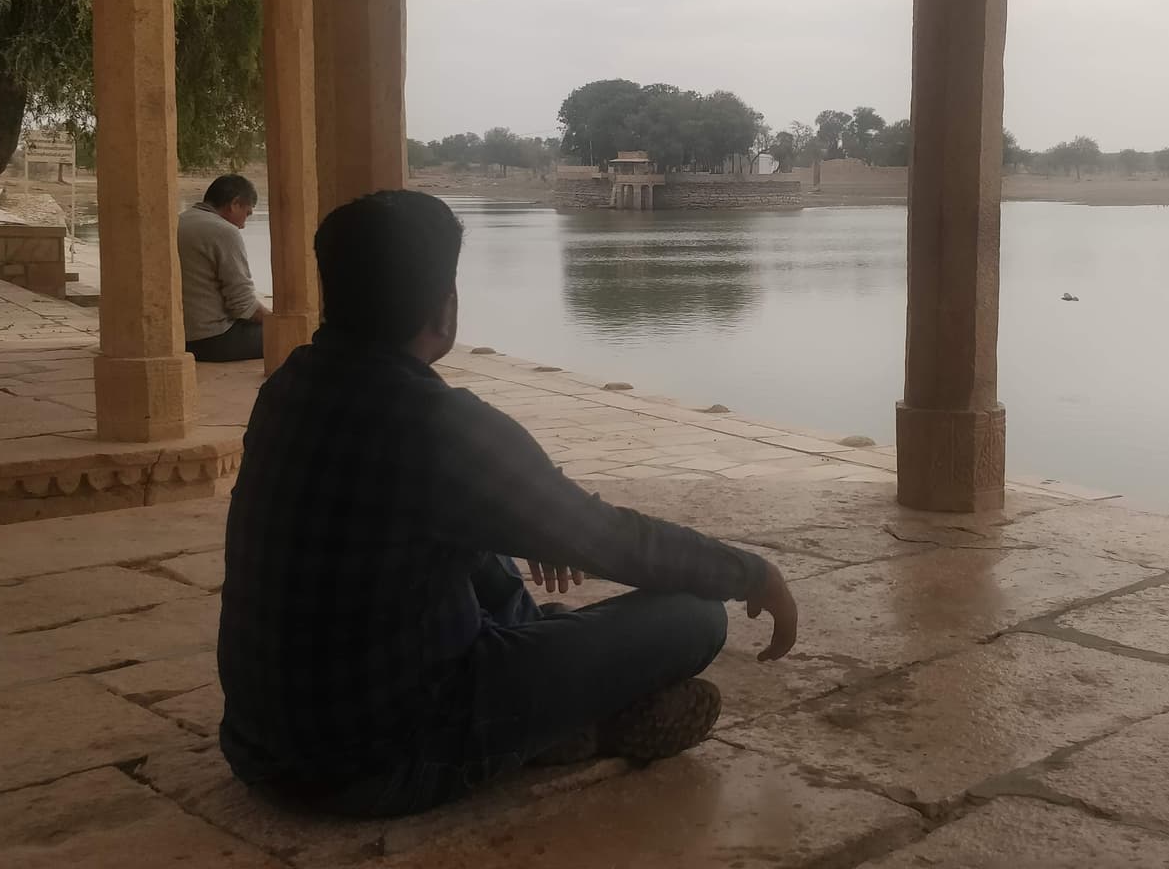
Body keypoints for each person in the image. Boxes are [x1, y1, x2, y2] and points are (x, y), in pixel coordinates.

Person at [217, 189, 798, 818]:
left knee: (475, 540)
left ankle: (543, 683)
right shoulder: (439, 426)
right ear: (445, 307)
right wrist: (751, 573)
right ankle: (566, 730)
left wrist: (535, 528)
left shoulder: (288, 386)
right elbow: (608, 540)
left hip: (260, 747)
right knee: (695, 616)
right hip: (384, 761)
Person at [180, 174, 267, 362]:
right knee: (295, 335)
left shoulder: (179, 221)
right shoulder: (224, 231)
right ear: (235, 204)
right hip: (213, 339)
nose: (244, 225)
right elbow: (243, 306)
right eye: (247, 214)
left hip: (180, 337)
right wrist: (277, 321)